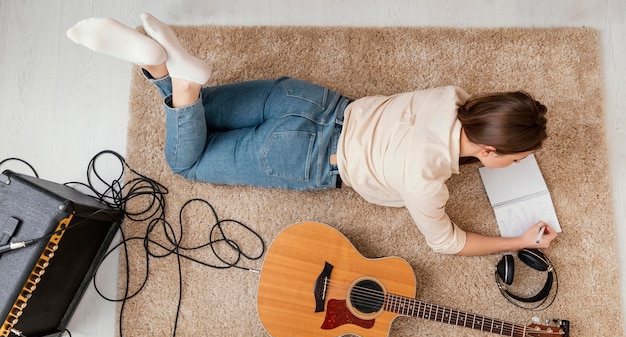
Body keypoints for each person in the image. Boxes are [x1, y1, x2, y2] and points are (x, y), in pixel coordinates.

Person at [66, 13, 558, 256]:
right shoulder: (427, 183)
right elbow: (446, 242)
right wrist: (518, 241)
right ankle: (173, 76)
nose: (516, 164)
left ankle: (164, 66)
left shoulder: (452, 95)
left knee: (200, 112)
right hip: (303, 157)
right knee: (186, 162)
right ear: (489, 149)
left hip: (308, 101)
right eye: (515, 159)